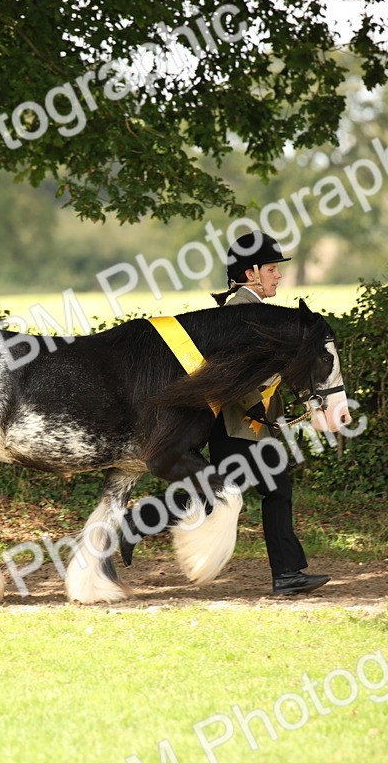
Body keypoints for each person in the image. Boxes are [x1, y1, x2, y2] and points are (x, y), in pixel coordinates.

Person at [120, 230, 330, 596]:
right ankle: (287, 574)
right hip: (236, 425)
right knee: (262, 489)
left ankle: (139, 522)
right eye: (271, 269)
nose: (278, 275)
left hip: (246, 425)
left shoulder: (253, 311)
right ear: (250, 274)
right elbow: (237, 376)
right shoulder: (241, 313)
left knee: (225, 489)